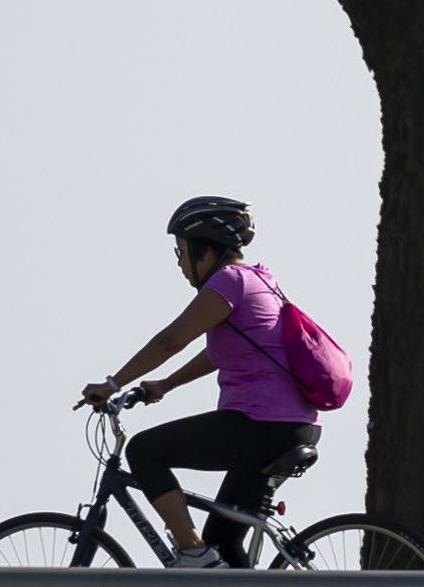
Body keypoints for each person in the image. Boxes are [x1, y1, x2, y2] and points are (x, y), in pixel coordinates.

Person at [79, 197, 324, 567]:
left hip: (261, 425)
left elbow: (171, 340)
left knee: (145, 452)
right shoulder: (259, 279)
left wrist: (111, 385)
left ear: (206, 252)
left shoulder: (228, 281)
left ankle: (191, 552)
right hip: (291, 427)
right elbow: (222, 353)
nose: (180, 264)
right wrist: (167, 384)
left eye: (181, 252)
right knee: (223, 542)